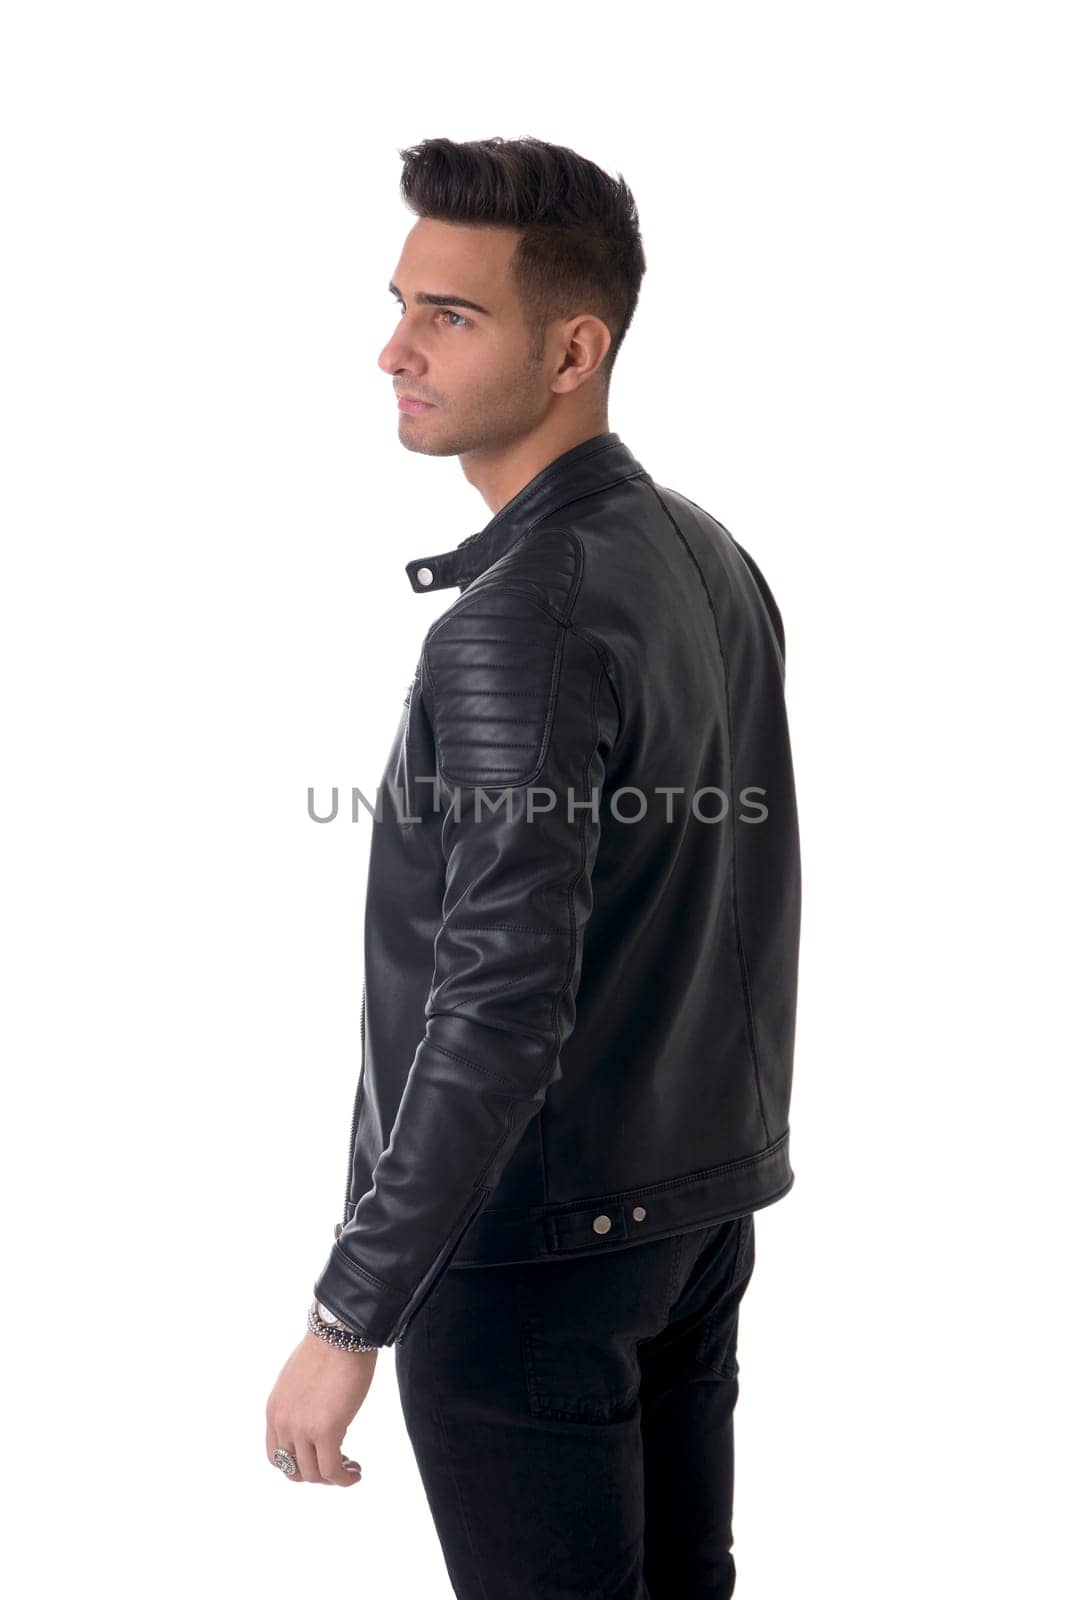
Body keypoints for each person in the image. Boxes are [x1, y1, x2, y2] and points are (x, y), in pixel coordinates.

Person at [265, 135, 802, 1600]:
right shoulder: (708, 558)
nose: (392, 349)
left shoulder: (522, 622)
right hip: (685, 1222)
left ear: (575, 348)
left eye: (449, 313)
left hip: (531, 1263)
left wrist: (348, 1316)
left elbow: (497, 996)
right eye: (400, 303)